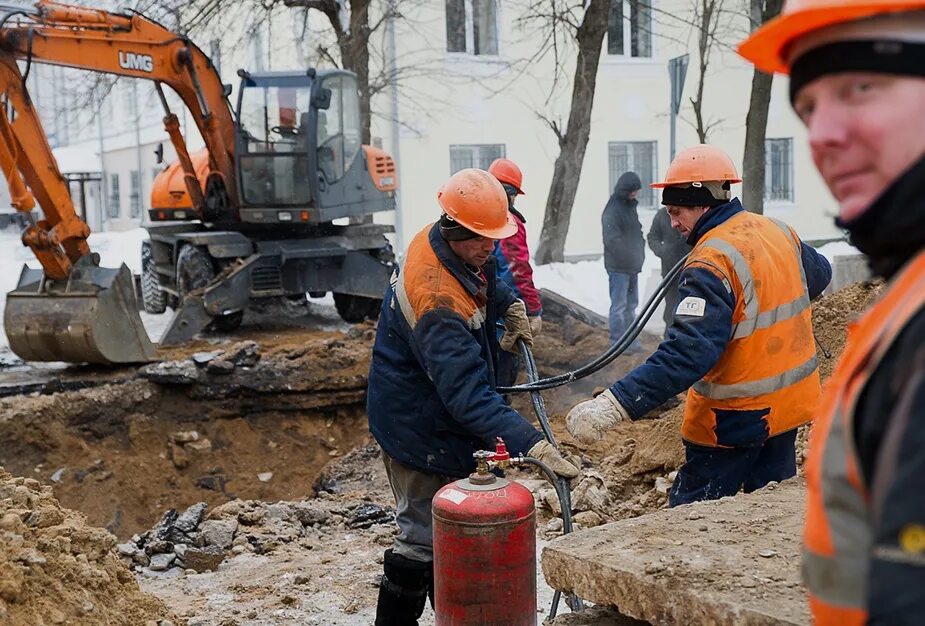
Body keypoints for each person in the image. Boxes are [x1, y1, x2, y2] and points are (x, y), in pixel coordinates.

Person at [739, 2, 925, 623]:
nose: (819, 136)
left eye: (860, 87)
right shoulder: (906, 286)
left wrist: (621, 403)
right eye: (809, 108)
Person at [366, 168, 579, 625]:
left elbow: (483, 275)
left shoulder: (444, 240)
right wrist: (533, 444)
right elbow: (468, 398)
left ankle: (457, 616)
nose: (492, 248)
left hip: (429, 408)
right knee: (422, 537)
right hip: (417, 428)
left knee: (451, 530)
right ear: (457, 230)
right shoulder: (439, 302)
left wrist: (507, 303)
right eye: (484, 239)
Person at [566, 144, 832, 506]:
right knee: (768, 513)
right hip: (788, 410)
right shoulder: (776, 230)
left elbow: (686, 355)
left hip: (734, 419)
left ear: (703, 203)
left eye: (677, 212)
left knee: (689, 524)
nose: (673, 223)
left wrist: (614, 406)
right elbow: (820, 275)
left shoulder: (712, 260)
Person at [488, 158, 543, 387]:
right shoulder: (508, 222)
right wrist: (533, 309)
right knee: (503, 370)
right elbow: (517, 269)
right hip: (504, 307)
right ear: (509, 193)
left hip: (483, 305)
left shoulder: (478, 217)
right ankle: (499, 412)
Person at [602, 172, 646, 350]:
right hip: (618, 267)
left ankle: (631, 342)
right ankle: (617, 343)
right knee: (619, 306)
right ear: (626, 190)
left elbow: (636, 231)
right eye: (633, 191)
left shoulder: (629, 207)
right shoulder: (613, 209)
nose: (635, 194)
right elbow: (612, 239)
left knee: (631, 306)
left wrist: (639, 249)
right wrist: (629, 253)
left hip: (632, 266)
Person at [647, 205, 692, 334]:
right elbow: (652, 237)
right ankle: (669, 335)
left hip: (690, 269)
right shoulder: (662, 215)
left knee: (690, 307)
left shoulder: (690, 212)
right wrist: (663, 251)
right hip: (669, 271)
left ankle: (686, 338)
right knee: (671, 306)